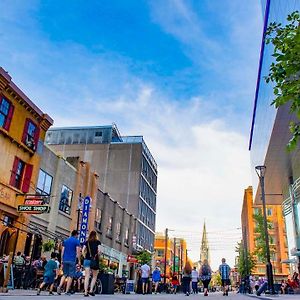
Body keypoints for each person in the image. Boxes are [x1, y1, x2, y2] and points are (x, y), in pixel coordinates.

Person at [57, 230, 81, 296]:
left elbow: (62, 251)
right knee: (71, 276)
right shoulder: (76, 241)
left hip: (65, 259)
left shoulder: (66, 241)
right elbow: (78, 251)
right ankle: (66, 291)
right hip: (72, 260)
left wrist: (62, 259)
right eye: (77, 235)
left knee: (64, 274)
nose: (77, 236)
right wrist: (79, 260)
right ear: (76, 235)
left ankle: (59, 286)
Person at [82, 230, 101, 297]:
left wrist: (85, 256)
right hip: (94, 260)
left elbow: (82, 250)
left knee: (86, 276)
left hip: (87, 260)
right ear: (96, 235)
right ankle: (91, 290)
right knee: (94, 276)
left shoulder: (86, 242)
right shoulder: (98, 242)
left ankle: (85, 292)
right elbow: (99, 251)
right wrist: (98, 256)